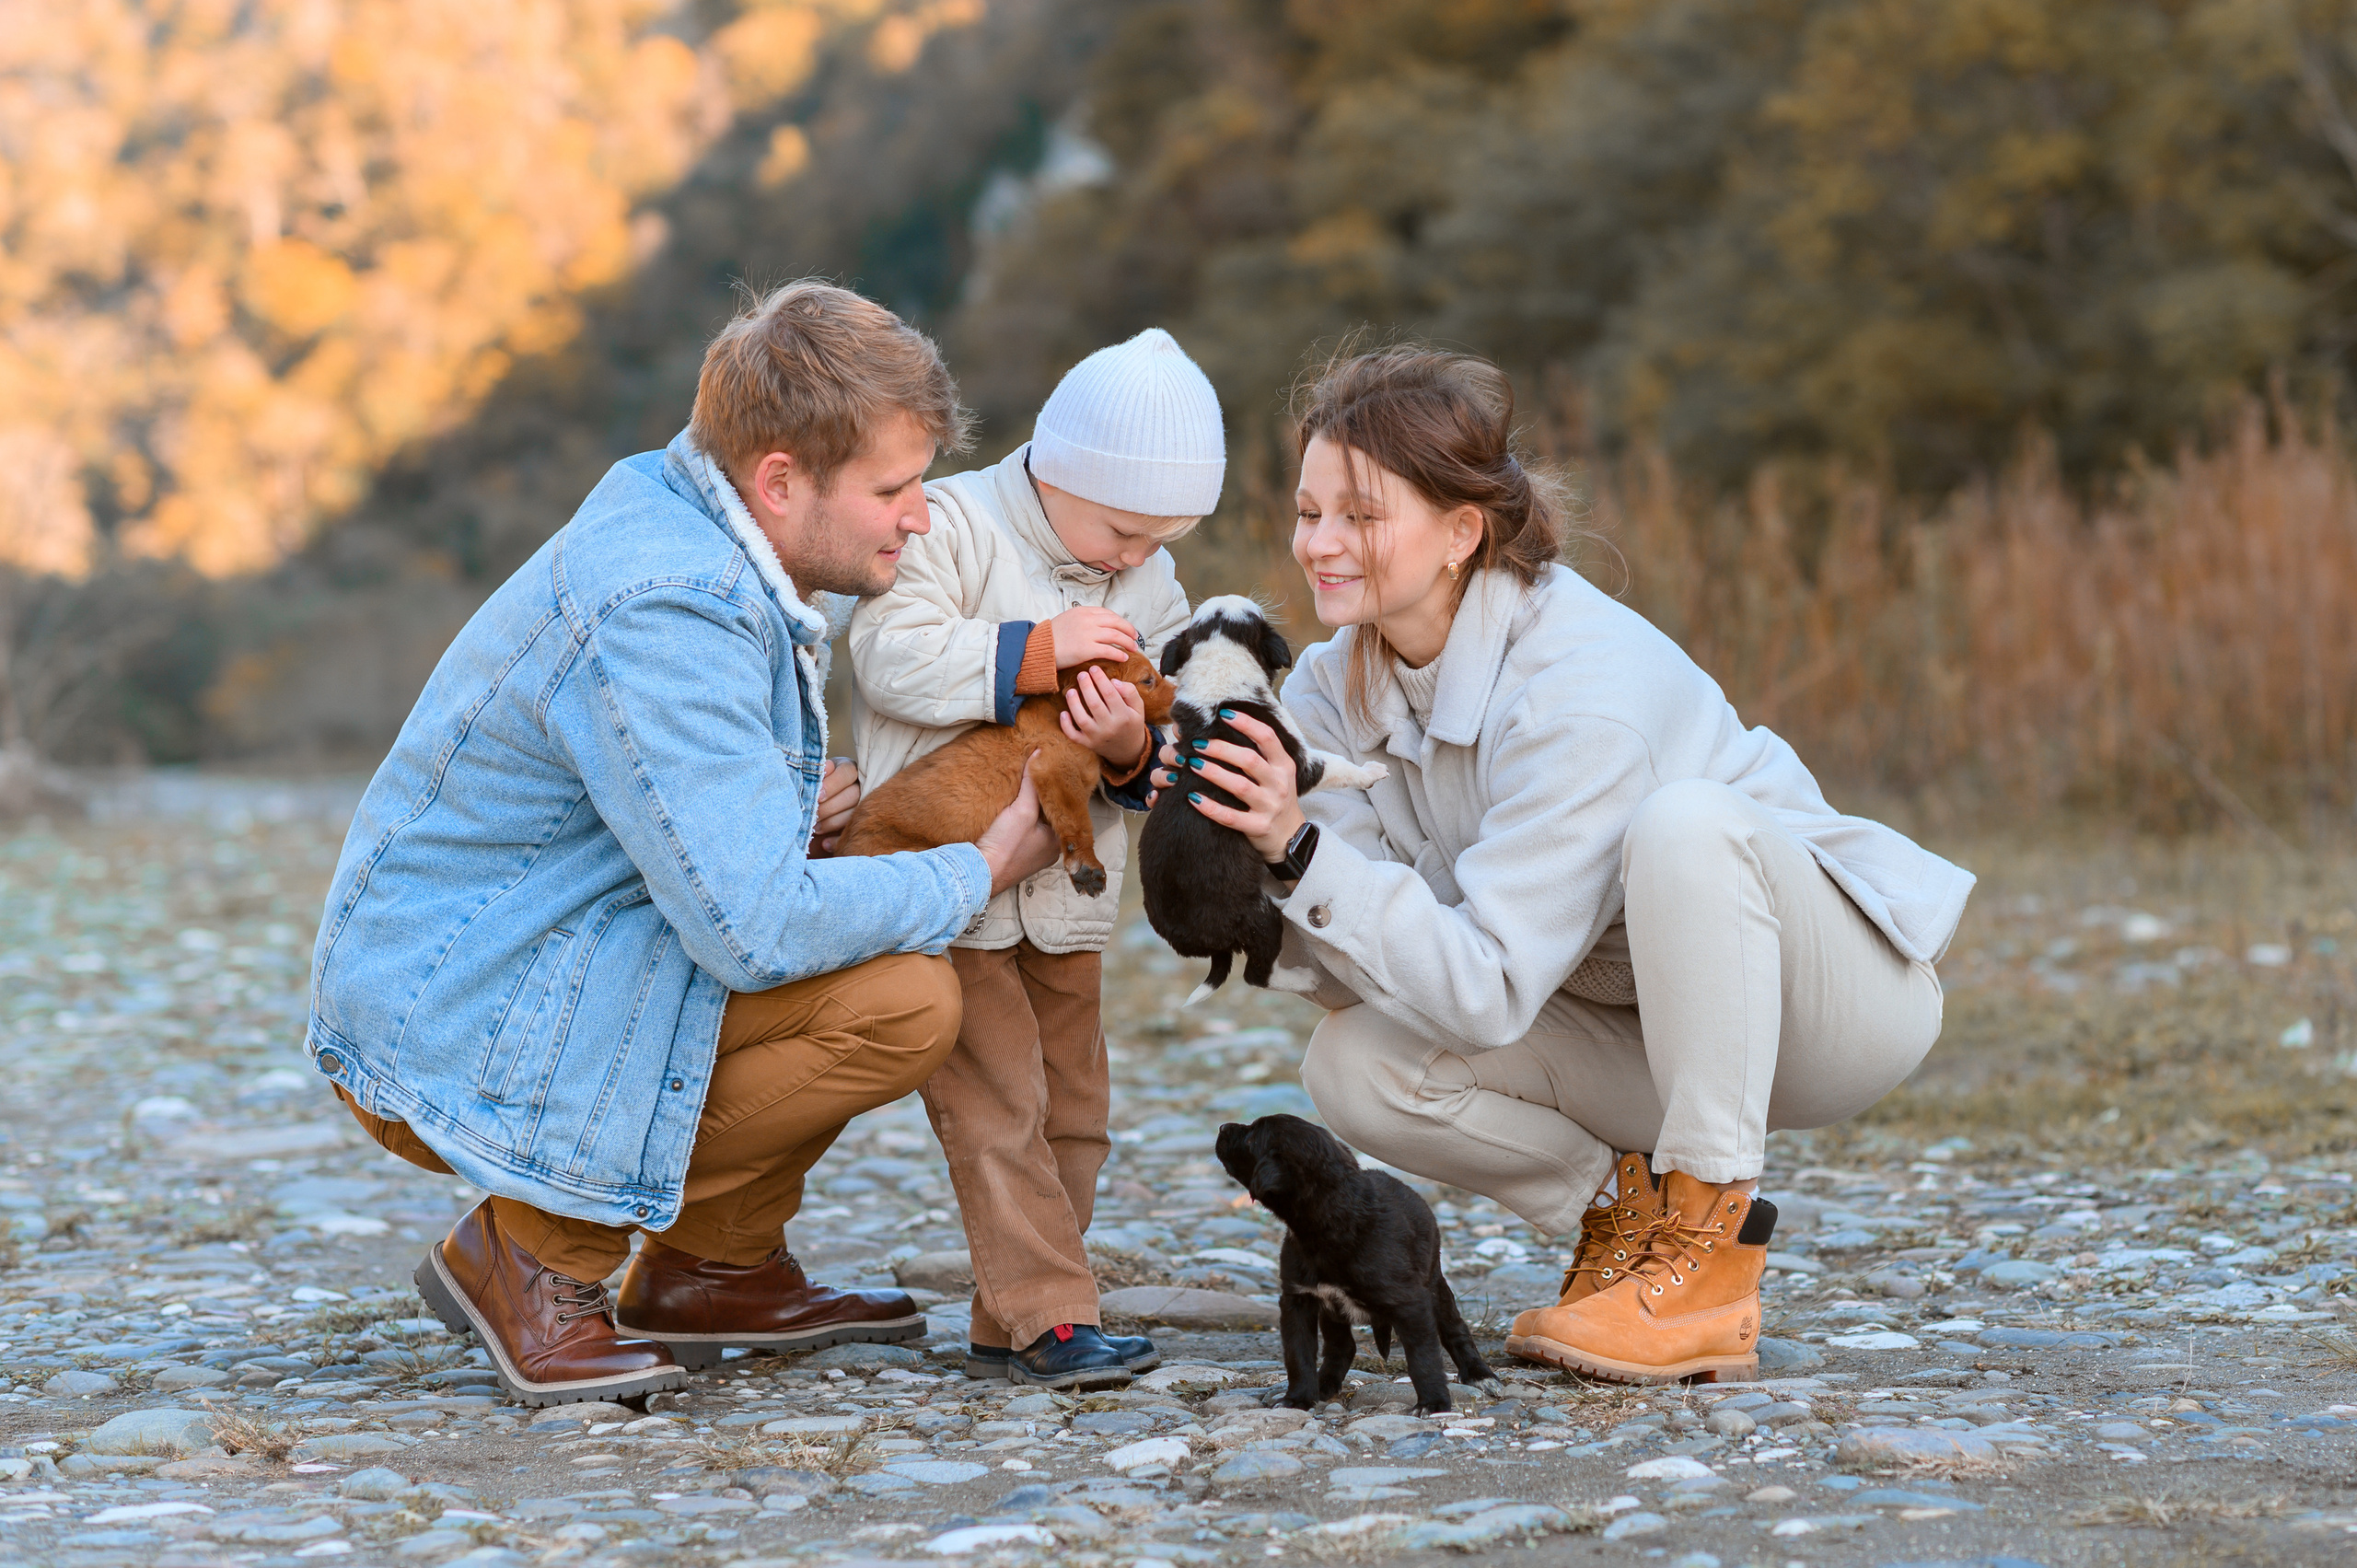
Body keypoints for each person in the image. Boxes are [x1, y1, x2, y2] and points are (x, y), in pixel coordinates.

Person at [305, 282, 1062, 1406]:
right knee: (896, 998)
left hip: (555, 949)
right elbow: (751, 928)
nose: (921, 516)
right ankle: (530, 1254)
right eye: (894, 489)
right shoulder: (670, 599)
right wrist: (979, 867)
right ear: (779, 479)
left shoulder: (698, 523)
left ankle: (715, 1270)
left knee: (888, 982)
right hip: (462, 1011)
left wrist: (773, 812)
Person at [1155, 345, 1972, 1384]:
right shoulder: (1324, 686)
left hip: (1826, 1006)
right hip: (1622, 1013)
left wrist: (1302, 843)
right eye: (1309, 511)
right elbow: (1366, 964)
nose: (1318, 543)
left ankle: (1708, 1258)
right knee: (1353, 1064)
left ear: (1462, 532)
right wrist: (1235, 858)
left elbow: (1486, 989)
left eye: (1360, 516)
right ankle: (1625, 1222)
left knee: (1685, 825)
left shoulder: (1580, 685)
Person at [847, 329, 1220, 1388]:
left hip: (1067, 903)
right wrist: (1032, 652)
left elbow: (1170, 730)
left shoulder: (1153, 583)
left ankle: (1009, 1309)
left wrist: (1128, 748)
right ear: (1056, 472)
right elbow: (886, 654)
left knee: (1075, 1108)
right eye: (1122, 529)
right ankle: (1054, 1316)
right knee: (996, 1103)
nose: (1136, 556)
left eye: (1165, 538)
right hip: (951, 880)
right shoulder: (953, 524)